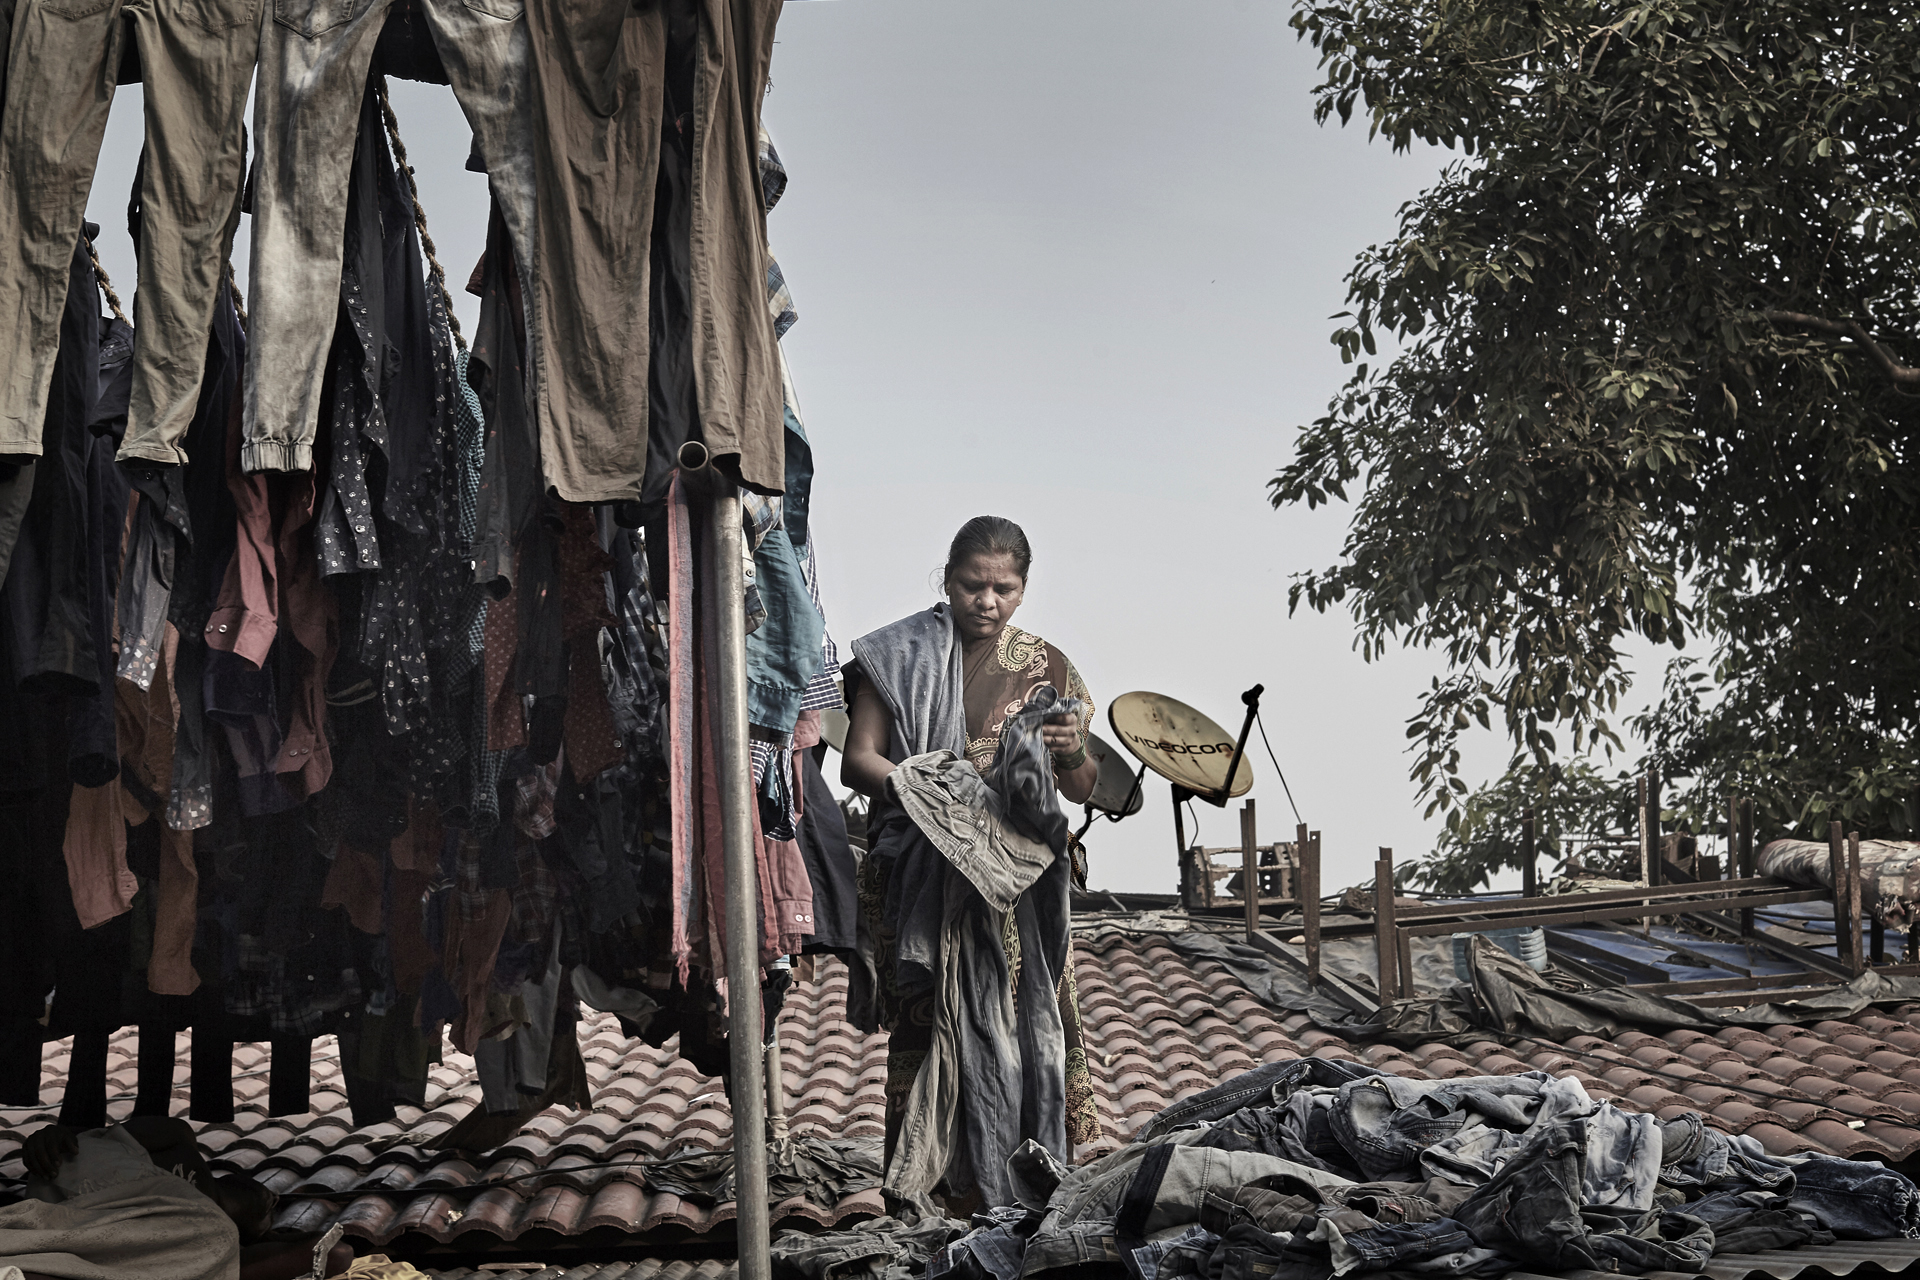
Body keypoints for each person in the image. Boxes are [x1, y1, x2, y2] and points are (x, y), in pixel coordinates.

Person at [841, 515, 1100, 1211]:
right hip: (925, 876)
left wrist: (1072, 748)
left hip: (1018, 892)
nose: (986, 601)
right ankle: (930, 1198)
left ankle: (1029, 1191)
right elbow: (858, 760)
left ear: (1023, 589)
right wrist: (940, 798)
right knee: (932, 1034)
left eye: (1003, 589)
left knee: (1028, 1034)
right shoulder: (898, 656)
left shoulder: (1047, 668)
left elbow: (1082, 788)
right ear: (947, 580)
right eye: (970, 585)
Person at [5, 1118, 352, 1280]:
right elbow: (92, 1136)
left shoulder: (215, 1244)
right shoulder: (179, 1143)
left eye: (269, 1215)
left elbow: (336, 1253)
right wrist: (53, 1134)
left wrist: (276, 1240)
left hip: (66, 1235)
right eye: (271, 1197)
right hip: (58, 1212)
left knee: (215, 1234)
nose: (273, 1197)